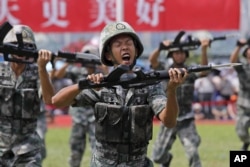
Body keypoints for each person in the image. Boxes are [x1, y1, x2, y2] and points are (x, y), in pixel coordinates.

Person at [51, 21, 187, 167]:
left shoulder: (149, 85)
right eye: (118, 44)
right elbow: (56, 101)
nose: (125, 47)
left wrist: (172, 90)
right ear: (108, 55)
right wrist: (83, 85)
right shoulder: (100, 85)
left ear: (136, 49)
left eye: (129, 43)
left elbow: (170, 121)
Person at [149, 32, 210, 167]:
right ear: (171, 55)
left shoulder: (190, 71)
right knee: (158, 156)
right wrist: (160, 48)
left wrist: (204, 49)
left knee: (192, 152)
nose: (179, 55)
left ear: (186, 55)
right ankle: (167, 160)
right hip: (169, 118)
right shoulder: (165, 70)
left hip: (186, 119)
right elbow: (152, 61)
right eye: (176, 53)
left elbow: (204, 71)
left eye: (182, 53)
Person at [0, 24, 54, 166]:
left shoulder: (38, 72)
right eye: (15, 45)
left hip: (28, 147)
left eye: (26, 46)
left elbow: (49, 99)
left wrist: (42, 68)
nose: (20, 49)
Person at [66, 44, 108, 167]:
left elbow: (110, 79)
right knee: (75, 149)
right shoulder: (77, 71)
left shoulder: (101, 75)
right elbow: (56, 75)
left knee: (97, 149)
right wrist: (69, 61)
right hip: (78, 116)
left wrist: (102, 66)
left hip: (94, 117)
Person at [230, 38, 250, 151]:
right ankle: (246, 143)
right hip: (244, 105)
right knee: (241, 131)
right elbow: (232, 60)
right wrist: (239, 46)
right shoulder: (242, 67)